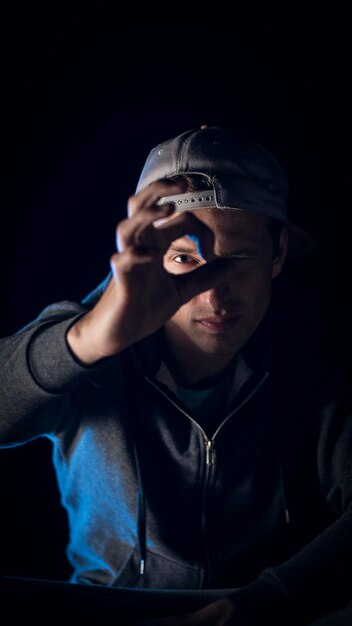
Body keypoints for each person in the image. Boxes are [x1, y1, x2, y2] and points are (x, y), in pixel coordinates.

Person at [0, 126, 351, 626]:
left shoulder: (308, 346)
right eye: (186, 259)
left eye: (237, 260)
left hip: (263, 610)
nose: (213, 296)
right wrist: (88, 340)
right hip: (112, 612)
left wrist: (265, 602)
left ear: (278, 253)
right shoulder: (89, 342)